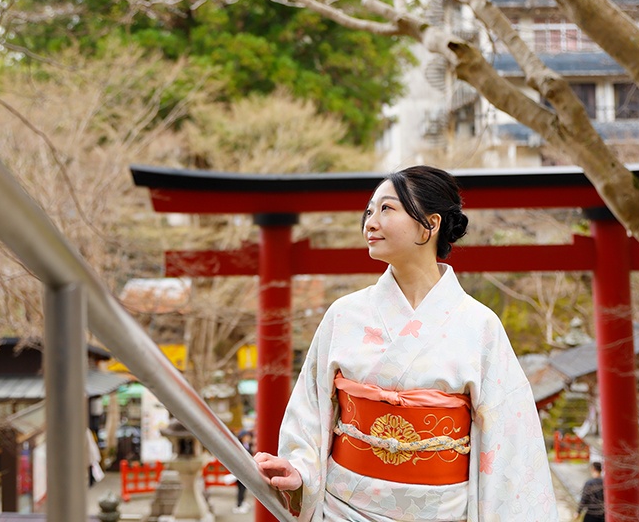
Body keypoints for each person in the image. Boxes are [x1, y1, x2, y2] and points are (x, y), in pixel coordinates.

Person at [254, 165, 558, 522]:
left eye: (386, 209)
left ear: (430, 224)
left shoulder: (479, 326)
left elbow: (510, 443)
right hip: (344, 510)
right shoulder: (344, 315)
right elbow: (310, 410)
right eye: (368, 211)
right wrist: (301, 472)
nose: (370, 222)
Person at [233, 430, 255, 514]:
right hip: (240, 470)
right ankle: (238, 504)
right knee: (240, 488)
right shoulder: (240, 446)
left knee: (244, 487)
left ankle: (242, 502)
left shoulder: (248, 445)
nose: (248, 438)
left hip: (246, 470)